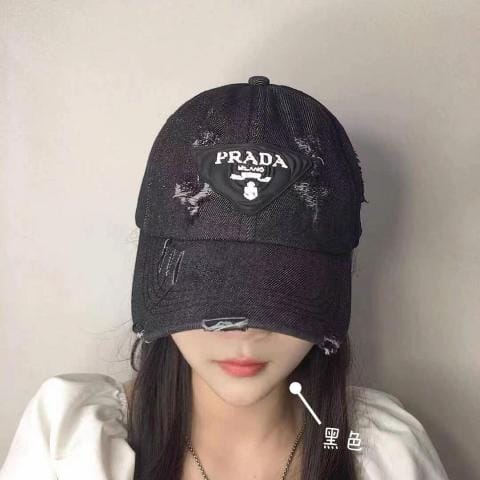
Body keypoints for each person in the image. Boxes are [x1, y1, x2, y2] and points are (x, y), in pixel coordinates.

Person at [0, 76, 450, 480]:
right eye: (206, 287)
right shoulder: (69, 450)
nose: (243, 331)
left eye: (281, 291)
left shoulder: (383, 457)